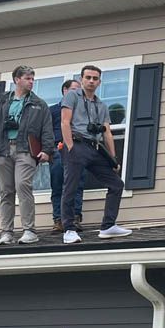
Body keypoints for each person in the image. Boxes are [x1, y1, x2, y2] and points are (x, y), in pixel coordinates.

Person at [0, 65, 53, 245]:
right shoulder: (1, 102)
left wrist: (47, 150)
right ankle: (7, 232)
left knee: (23, 185)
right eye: (28, 78)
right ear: (17, 80)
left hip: (26, 150)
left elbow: (47, 130)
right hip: (3, 150)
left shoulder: (39, 104)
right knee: (6, 191)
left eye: (33, 78)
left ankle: (29, 230)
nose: (31, 82)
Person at [60, 65, 132, 244]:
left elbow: (107, 132)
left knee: (116, 184)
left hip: (95, 148)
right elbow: (64, 122)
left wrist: (113, 158)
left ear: (99, 81)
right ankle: (68, 228)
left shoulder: (101, 105)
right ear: (82, 79)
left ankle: (108, 226)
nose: (91, 81)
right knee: (71, 186)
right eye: (88, 77)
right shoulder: (72, 96)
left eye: (95, 78)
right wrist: (70, 147)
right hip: (77, 144)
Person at [49, 78, 84, 233]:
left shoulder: (82, 110)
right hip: (58, 150)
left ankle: (74, 218)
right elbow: (45, 132)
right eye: (74, 89)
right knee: (57, 185)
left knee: (76, 184)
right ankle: (59, 221)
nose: (78, 93)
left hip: (77, 150)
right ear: (65, 91)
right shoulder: (52, 111)